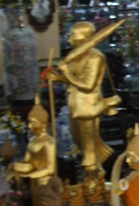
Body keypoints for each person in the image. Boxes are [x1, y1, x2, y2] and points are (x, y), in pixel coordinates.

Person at [49, 21, 114, 178]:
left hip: (88, 107)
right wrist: (58, 77)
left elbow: (87, 85)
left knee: (89, 149)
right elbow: (74, 81)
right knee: (81, 145)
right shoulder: (76, 55)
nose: (69, 40)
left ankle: (94, 181)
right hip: (75, 106)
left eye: (73, 36)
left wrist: (67, 73)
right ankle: (95, 176)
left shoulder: (96, 57)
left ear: (85, 38)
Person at [11, 95, 56, 206]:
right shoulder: (32, 141)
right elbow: (27, 162)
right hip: (34, 182)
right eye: (29, 122)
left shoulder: (49, 142)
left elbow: (51, 168)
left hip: (45, 182)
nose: (29, 126)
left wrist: (32, 174)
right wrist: (16, 167)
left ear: (43, 123)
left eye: (33, 123)